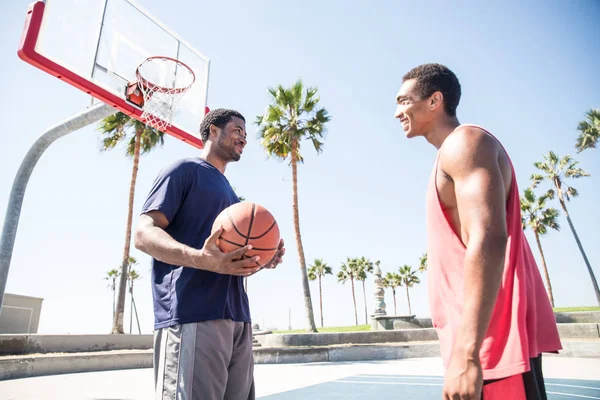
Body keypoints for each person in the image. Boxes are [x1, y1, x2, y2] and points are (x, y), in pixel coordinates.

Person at [394, 64, 562, 400]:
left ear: (434, 100)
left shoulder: (465, 143)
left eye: (403, 101)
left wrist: (468, 354)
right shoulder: (453, 153)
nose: (397, 112)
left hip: (492, 345)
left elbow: (488, 237)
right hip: (481, 340)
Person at [133, 108, 285, 400]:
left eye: (245, 132)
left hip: (237, 317)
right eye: (237, 129)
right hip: (193, 312)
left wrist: (263, 259)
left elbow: (226, 261)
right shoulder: (184, 170)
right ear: (213, 131)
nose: (244, 137)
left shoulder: (231, 195)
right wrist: (200, 259)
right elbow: (143, 233)